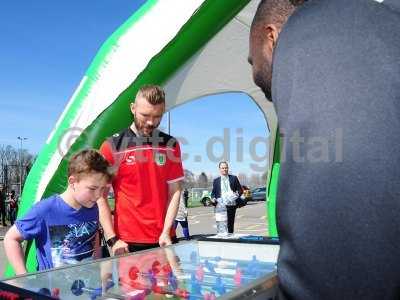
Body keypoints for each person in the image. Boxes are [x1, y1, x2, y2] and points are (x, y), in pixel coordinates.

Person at [249, 0, 400, 299]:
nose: (254, 74)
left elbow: (336, 272)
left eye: (252, 61)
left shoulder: (313, 35)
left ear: (272, 36)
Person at [98, 85, 184, 254]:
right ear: (133, 108)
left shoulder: (171, 145)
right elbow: (100, 196)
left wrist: (167, 231)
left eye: (157, 116)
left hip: (164, 239)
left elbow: (175, 191)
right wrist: (112, 239)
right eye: (145, 115)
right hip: (127, 242)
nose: (151, 122)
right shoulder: (111, 146)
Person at [4, 149, 113, 274]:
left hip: (88, 290)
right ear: (72, 182)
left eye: (102, 189)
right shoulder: (45, 209)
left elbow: (94, 242)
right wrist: (22, 275)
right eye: (92, 188)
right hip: (52, 292)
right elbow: (11, 238)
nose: (98, 195)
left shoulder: (93, 208)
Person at [211, 161, 243, 235]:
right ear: (219, 169)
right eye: (223, 168)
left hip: (231, 205)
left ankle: (230, 240)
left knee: (230, 225)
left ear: (228, 168)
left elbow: (240, 190)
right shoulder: (216, 181)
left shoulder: (234, 178)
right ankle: (223, 240)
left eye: (226, 168)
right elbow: (213, 193)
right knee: (221, 225)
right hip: (220, 206)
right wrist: (213, 198)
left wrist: (235, 195)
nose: (224, 169)